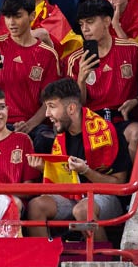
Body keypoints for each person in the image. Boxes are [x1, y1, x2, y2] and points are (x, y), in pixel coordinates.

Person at [24, 78, 131, 239]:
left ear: (71, 108)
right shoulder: (60, 136)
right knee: (36, 206)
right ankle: (44, 261)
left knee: (82, 210)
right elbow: (66, 179)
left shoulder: (109, 133)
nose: (47, 114)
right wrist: (43, 168)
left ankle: (103, 262)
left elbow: (119, 184)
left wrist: (86, 171)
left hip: (105, 197)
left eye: (52, 107)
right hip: (73, 196)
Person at [0, 0, 60, 148]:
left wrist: (29, 125)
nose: (11, 22)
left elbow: (49, 102)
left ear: (32, 16)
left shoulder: (47, 55)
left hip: (29, 124)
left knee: (46, 140)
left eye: (17, 16)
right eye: (7, 17)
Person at [66, 0, 138, 159]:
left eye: (90, 22)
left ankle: (136, 184)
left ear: (107, 21)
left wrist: (136, 101)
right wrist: (81, 80)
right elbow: (75, 108)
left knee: (137, 134)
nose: (85, 29)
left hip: (122, 119)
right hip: (91, 124)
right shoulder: (75, 59)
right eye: (81, 24)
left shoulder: (131, 50)